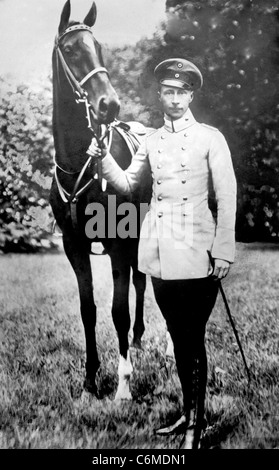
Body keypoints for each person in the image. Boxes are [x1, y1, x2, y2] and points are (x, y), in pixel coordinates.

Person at [87, 58, 237, 449]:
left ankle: (196, 423)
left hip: (198, 248)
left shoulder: (210, 138)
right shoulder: (151, 142)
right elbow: (123, 184)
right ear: (161, 95)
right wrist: (102, 154)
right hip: (158, 250)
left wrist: (223, 249)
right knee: (175, 331)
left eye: (181, 92)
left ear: (191, 95)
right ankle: (188, 413)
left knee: (193, 335)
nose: (174, 99)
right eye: (167, 92)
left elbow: (227, 196)